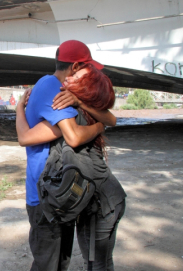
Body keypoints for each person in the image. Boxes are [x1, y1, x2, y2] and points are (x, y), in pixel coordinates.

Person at [16, 40, 117, 271]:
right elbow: (73, 137)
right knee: (47, 264)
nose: (90, 72)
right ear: (75, 66)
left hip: (60, 191)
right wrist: (99, 128)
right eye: (87, 67)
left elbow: (111, 118)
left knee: (61, 262)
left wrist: (19, 109)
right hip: (46, 195)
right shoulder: (52, 86)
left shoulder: (66, 93)